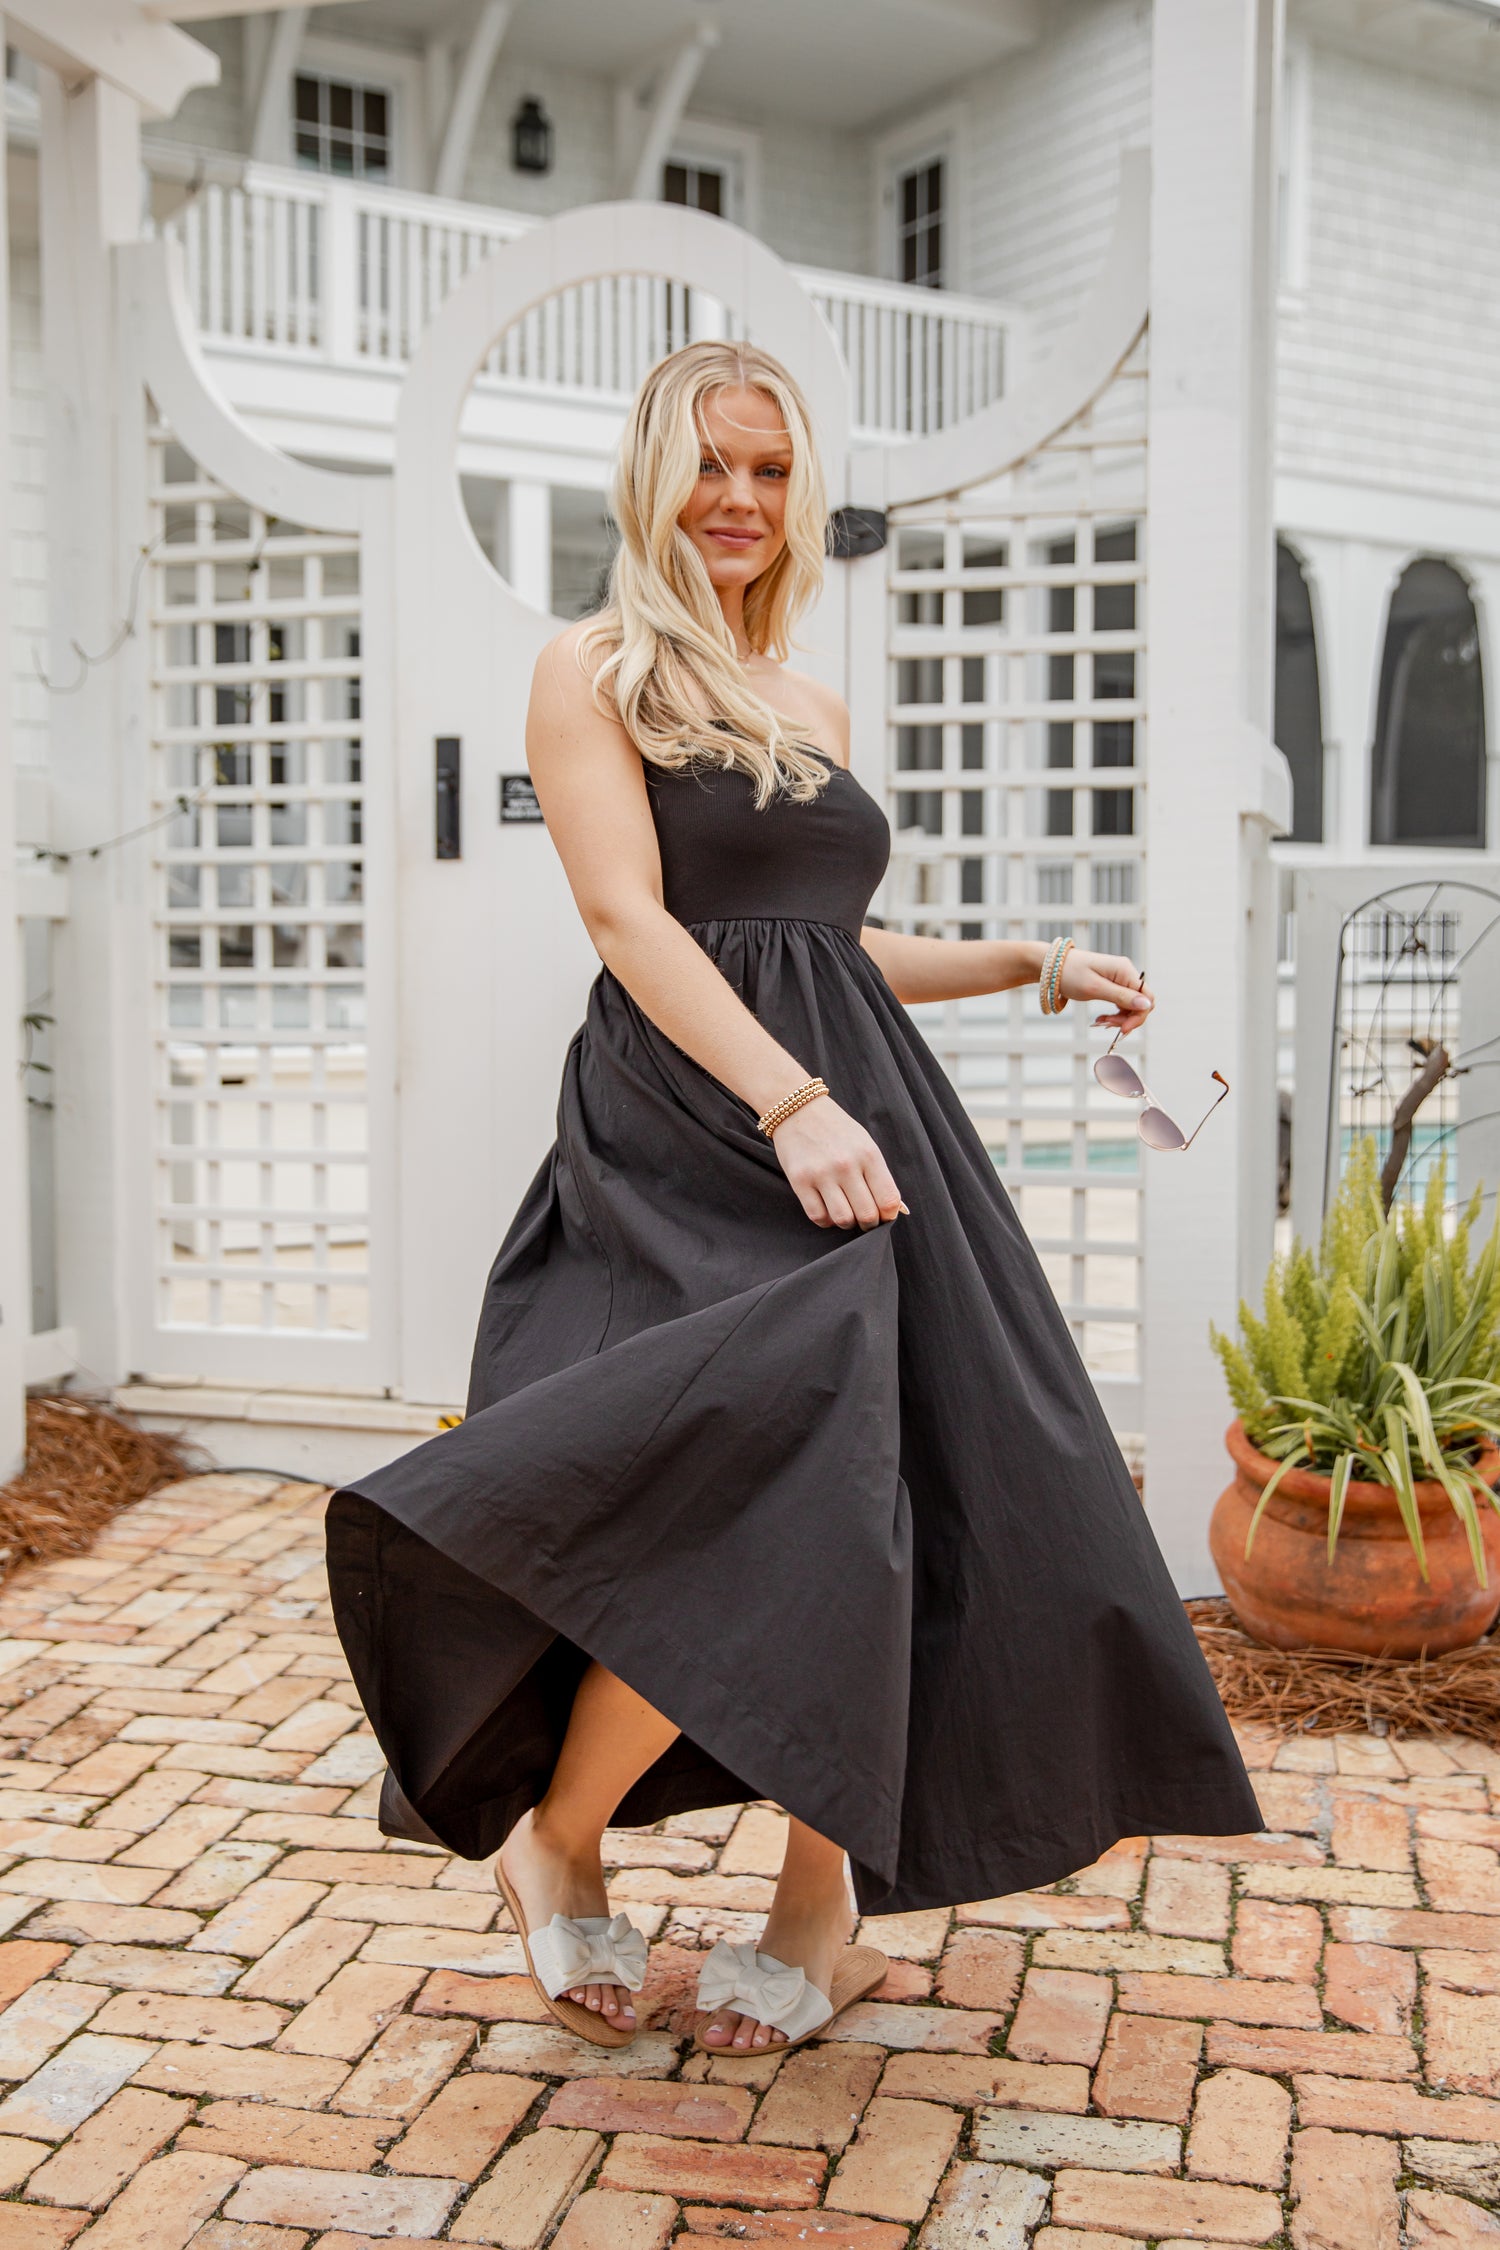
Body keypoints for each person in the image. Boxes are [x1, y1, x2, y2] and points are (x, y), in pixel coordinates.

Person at [326, 339, 1261, 2061]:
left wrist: (1028, 959)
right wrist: (792, 1096)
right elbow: (634, 922)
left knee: (891, 1485)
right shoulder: (591, 668)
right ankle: (559, 1837)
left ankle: (817, 1906)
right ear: (651, 475)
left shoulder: (809, 702)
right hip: (698, 1131)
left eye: (769, 470)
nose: (741, 501)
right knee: (721, 1516)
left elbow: (825, 945)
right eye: (710, 465)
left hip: (855, 1116)